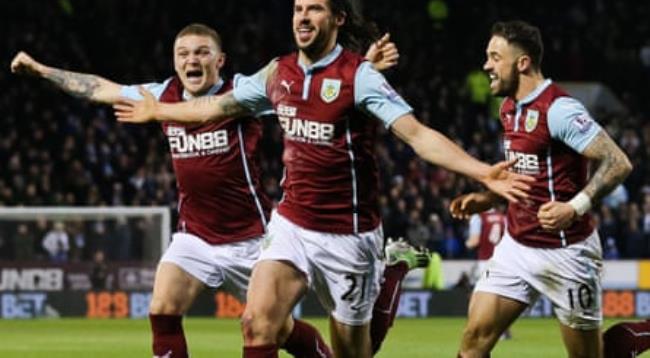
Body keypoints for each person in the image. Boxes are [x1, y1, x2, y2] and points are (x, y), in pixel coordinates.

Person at [112, 0, 532, 358]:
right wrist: (159, 109)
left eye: (313, 8)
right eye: (297, 9)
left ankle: (393, 272)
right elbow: (214, 105)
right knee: (257, 324)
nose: (302, 16)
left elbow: (417, 135)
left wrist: (480, 170)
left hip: (349, 234)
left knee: (354, 352)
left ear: (336, 18)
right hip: (291, 224)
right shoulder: (279, 72)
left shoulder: (360, 77)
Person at [11, 22, 420, 357]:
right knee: (162, 308)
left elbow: (312, 93)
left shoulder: (242, 93)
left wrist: (363, 67)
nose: (192, 59)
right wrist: (42, 71)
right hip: (196, 236)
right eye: (184, 53)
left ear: (220, 60)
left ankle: (388, 278)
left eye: (202, 52)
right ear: (174, 61)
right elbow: (102, 89)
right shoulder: (161, 95)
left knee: (278, 331)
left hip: (253, 240)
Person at [450, 20, 633, 358]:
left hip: (568, 252)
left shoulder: (560, 109)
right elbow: (527, 174)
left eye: (494, 57)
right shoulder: (508, 107)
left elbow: (618, 162)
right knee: (473, 343)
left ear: (522, 63)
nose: (486, 66)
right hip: (516, 247)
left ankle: (635, 338)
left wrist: (574, 207)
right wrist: (488, 198)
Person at [464, 204, 506, 284]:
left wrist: (466, 244)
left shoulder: (478, 217)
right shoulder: (502, 217)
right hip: (500, 262)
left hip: (485, 261)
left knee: (484, 291)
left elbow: (474, 241)